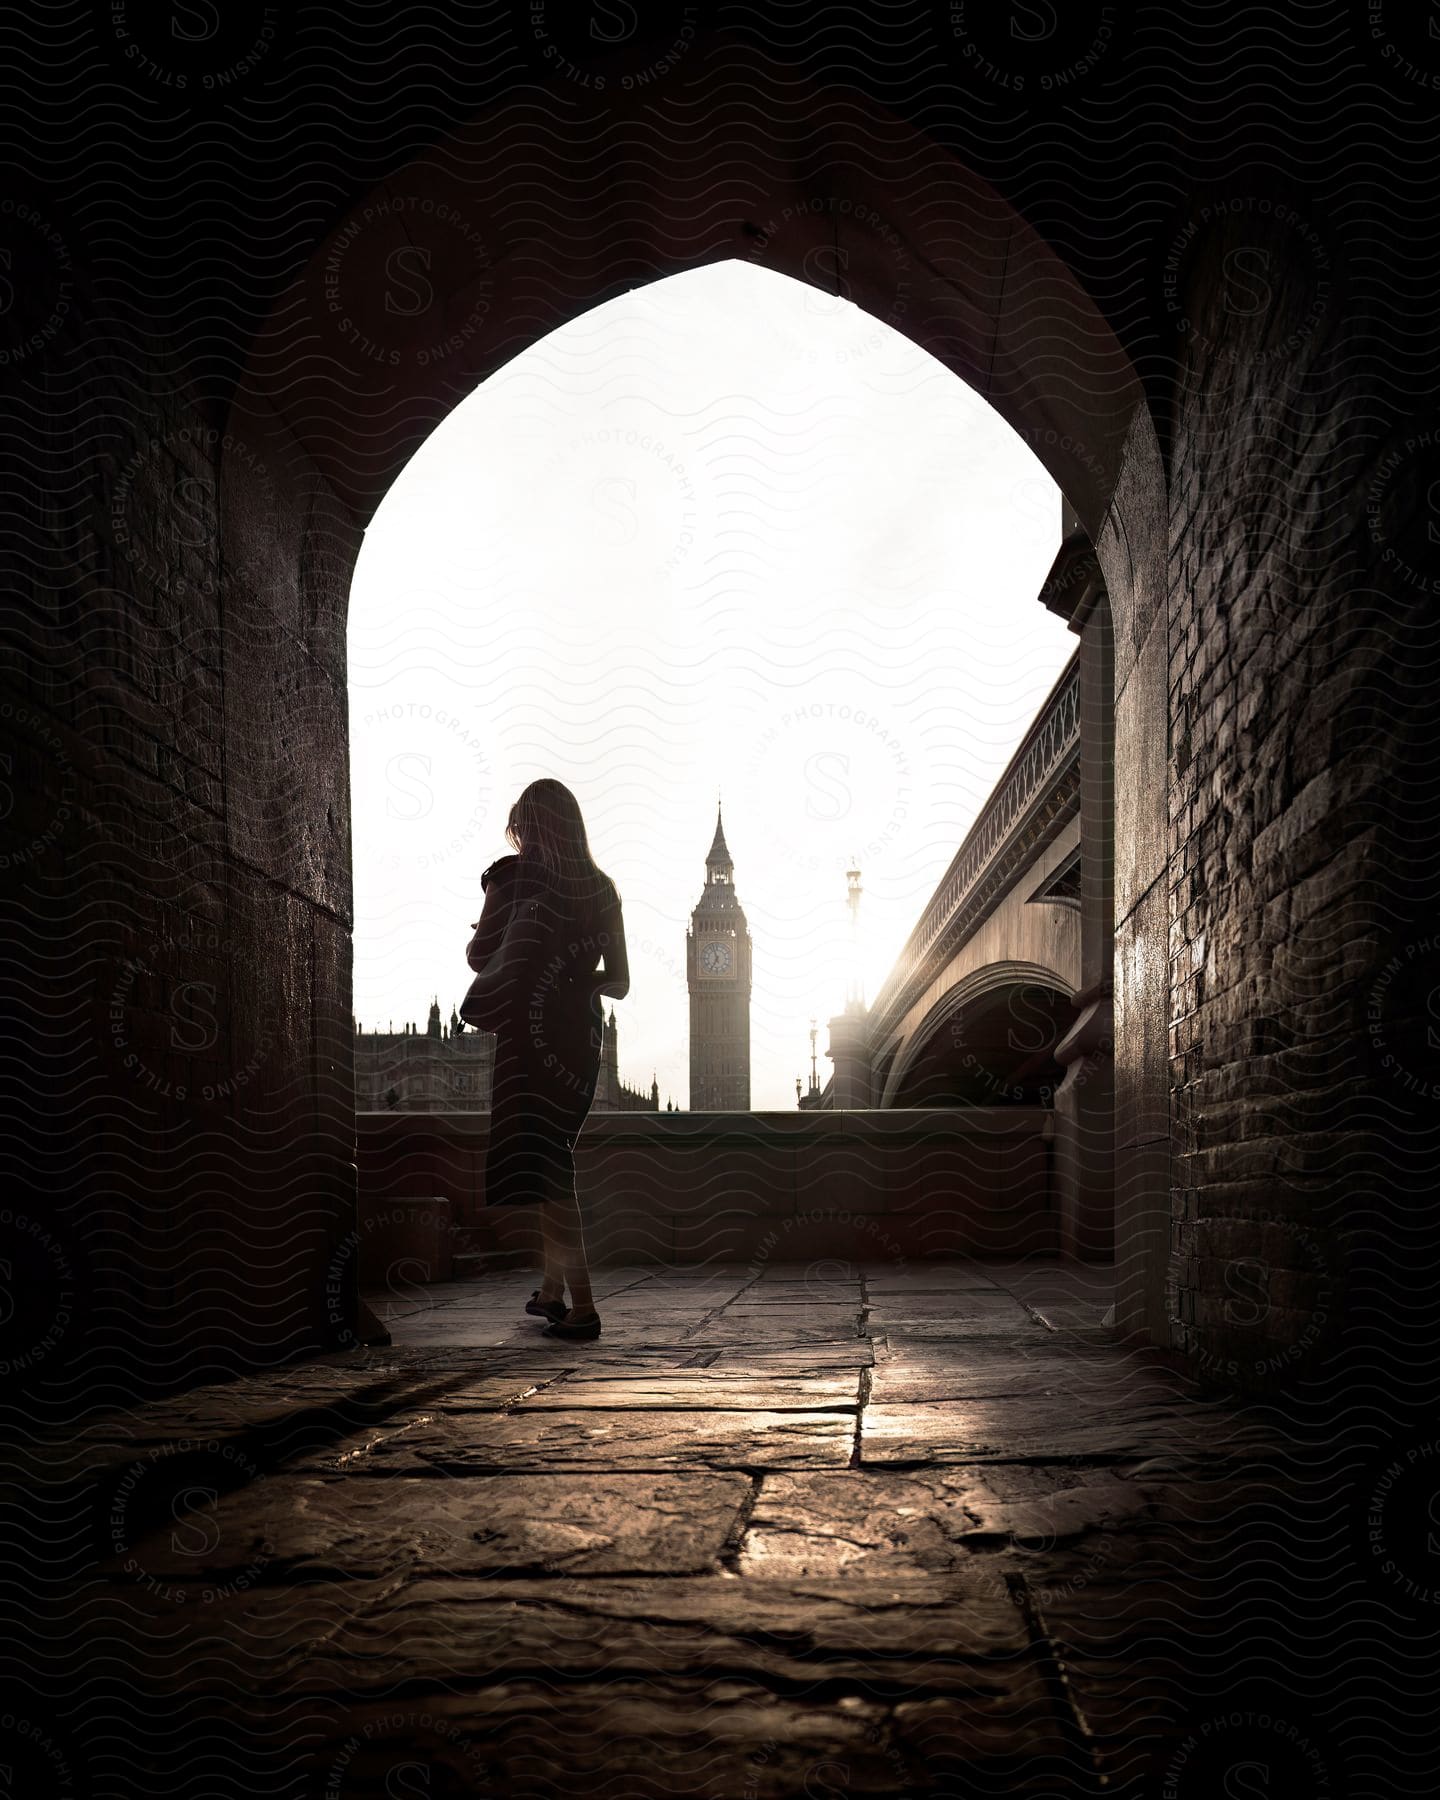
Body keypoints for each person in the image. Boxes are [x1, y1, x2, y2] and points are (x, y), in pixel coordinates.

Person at [464, 779, 629, 1340]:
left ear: (532, 830)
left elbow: (480, 955)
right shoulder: (604, 888)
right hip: (578, 1040)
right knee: (548, 1158)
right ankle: (553, 1291)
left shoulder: (514, 880)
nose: (522, 841)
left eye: (524, 830)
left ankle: (583, 1307)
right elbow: (621, 984)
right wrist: (573, 976)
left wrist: (513, 938)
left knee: (551, 1168)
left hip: (527, 1039)